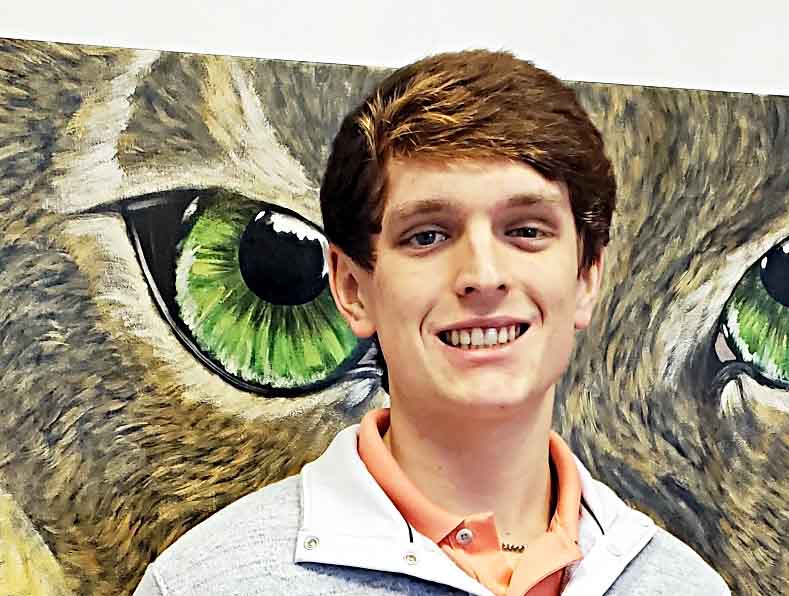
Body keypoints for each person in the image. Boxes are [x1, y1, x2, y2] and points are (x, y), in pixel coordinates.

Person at [133, 49, 730, 596]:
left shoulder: (685, 588)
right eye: (428, 236)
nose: (484, 276)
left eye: (526, 230)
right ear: (352, 289)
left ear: (586, 278)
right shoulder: (202, 585)